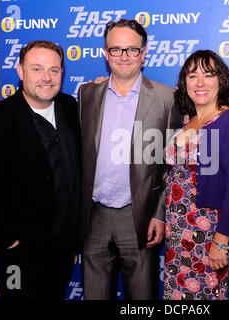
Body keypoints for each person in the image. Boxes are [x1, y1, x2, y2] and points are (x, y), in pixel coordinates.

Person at [78, 19, 181, 300]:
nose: (124, 57)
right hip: (93, 216)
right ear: (105, 53)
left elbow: (171, 167)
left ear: (144, 53)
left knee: (142, 298)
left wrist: (159, 214)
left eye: (132, 50)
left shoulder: (167, 98)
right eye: (116, 49)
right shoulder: (86, 94)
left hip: (139, 217)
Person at [0, 40, 81, 299]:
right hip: (19, 252)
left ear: (62, 73)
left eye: (54, 70)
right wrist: (9, 240)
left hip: (63, 247)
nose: (46, 78)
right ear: (20, 72)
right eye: (37, 69)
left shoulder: (71, 107)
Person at [163, 50, 229, 300]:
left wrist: (221, 241)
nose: (200, 82)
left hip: (207, 233)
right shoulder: (188, 122)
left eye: (208, 75)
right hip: (177, 232)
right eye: (192, 76)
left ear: (221, 80)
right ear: (185, 84)